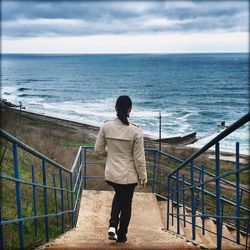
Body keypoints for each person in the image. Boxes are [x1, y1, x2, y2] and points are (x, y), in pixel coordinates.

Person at [94, 95, 147, 243]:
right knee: (126, 203)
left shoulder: (106, 126)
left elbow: (98, 150)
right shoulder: (135, 131)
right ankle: (121, 235)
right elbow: (139, 159)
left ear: (116, 108)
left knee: (119, 195)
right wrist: (143, 177)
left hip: (112, 173)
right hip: (129, 175)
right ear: (130, 109)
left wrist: (110, 153)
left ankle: (113, 225)